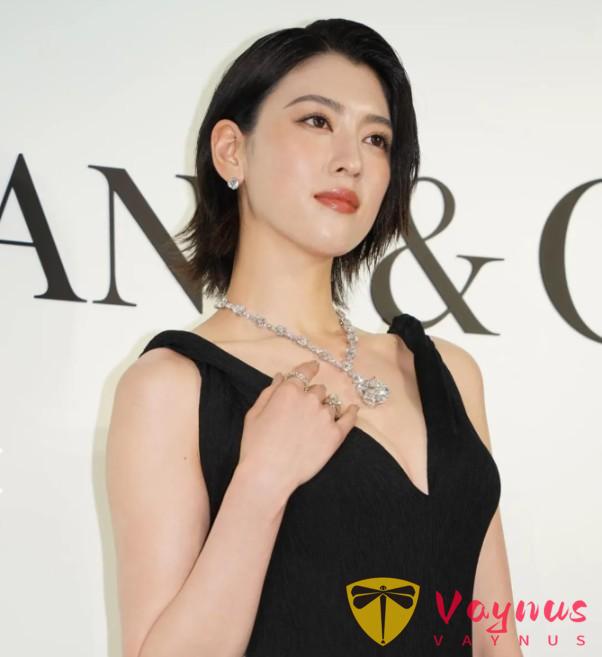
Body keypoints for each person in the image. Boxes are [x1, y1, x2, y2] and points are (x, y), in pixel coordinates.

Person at [106, 18, 522, 657]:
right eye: (317, 121)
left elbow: (495, 635)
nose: (351, 160)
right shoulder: (172, 386)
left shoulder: (447, 372)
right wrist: (261, 482)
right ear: (231, 151)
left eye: (377, 138)